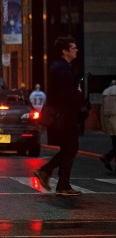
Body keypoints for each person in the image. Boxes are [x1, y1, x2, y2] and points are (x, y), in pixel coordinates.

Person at [34, 36, 83, 196]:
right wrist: (78, 92)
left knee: (68, 148)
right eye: (73, 48)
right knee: (70, 148)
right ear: (65, 51)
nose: (76, 50)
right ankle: (52, 176)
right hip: (63, 116)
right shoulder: (61, 69)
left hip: (64, 116)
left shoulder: (63, 67)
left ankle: (60, 182)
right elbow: (64, 94)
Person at [99, 80, 116, 172]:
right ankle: (107, 157)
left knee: (114, 143)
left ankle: (108, 158)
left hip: (108, 121)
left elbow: (102, 109)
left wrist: (103, 124)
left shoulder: (105, 92)